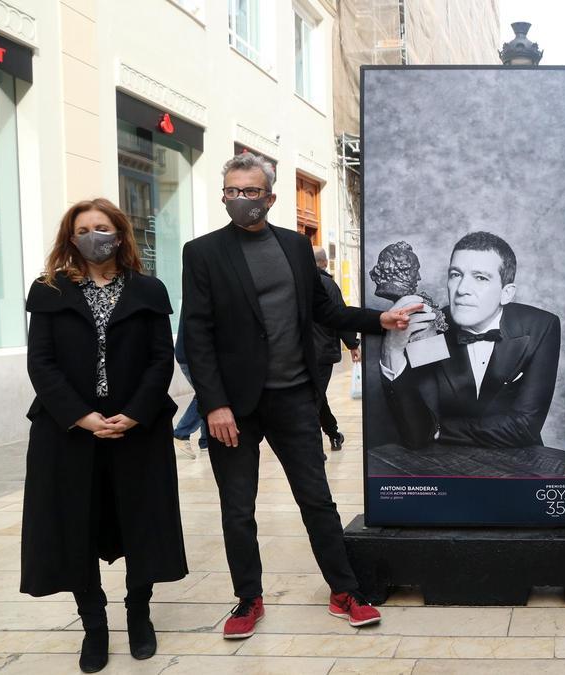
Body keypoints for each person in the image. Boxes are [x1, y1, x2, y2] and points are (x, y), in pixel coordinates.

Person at [181, 153, 420, 639]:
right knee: (237, 507)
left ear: (270, 197)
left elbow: (324, 310)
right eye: (232, 191)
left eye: (250, 192)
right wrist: (213, 404)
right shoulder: (202, 252)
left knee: (317, 499)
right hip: (235, 408)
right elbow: (198, 335)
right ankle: (248, 599)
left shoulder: (294, 246)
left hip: (293, 397)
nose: (239, 199)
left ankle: (345, 591)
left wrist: (378, 320)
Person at [21, 198, 188, 673]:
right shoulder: (49, 290)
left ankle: (139, 614)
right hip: (67, 430)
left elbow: (161, 358)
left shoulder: (149, 290)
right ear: (70, 238)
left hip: (138, 427)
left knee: (141, 520)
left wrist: (135, 413)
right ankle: (93, 625)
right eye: (83, 229)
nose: (94, 235)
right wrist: (81, 416)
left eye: (103, 226)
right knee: (75, 524)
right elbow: (42, 363)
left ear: (119, 232)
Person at [379, 231, 560, 451]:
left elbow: (524, 427)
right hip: (447, 464)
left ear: (506, 293)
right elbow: (419, 433)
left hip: (520, 463)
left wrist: (442, 429)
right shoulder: (431, 327)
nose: (462, 290)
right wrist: (393, 351)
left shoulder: (541, 326)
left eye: (481, 277)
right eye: (456, 274)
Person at [311, 246, 360, 451]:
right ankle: (332, 434)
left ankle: (317, 447)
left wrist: (352, 344)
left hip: (307, 352)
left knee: (313, 398)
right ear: (324, 263)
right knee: (315, 397)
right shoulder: (329, 284)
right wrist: (353, 344)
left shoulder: (304, 282)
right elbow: (340, 316)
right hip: (322, 352)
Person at [172, 317, 208, 458]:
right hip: (192, 355)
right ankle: (181, 433)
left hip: (192, 354)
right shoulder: (196, 296)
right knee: (206, 394)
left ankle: (206, 442)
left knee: (207, 393)